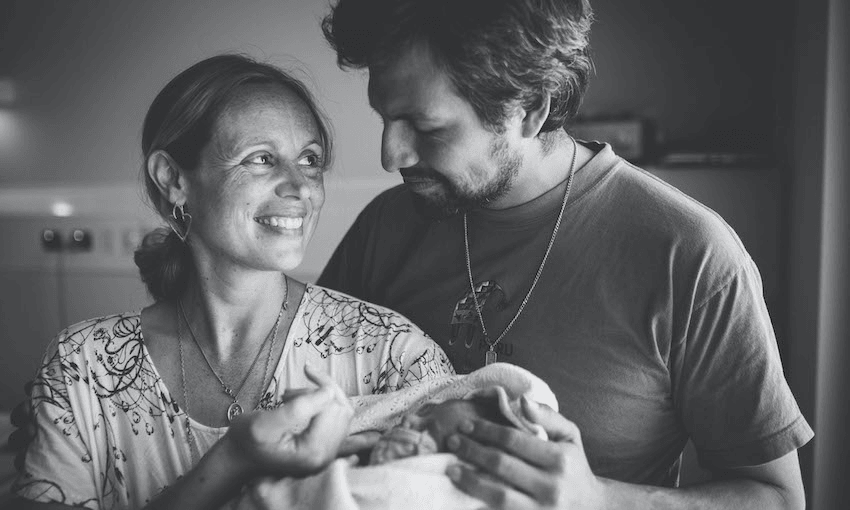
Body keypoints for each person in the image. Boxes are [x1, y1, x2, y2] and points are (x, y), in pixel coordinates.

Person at [316, 0, 814, 508]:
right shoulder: (387, 227)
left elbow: (777, 497)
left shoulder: (690, 257)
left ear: (531, 107)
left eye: (427, 127)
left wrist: (600, 499)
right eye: (385, 117)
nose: (390, 154)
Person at [10, 54, 453, 509]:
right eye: (262, 159)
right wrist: (233, 459)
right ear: (174, 180)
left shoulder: (393, 359)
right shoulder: (82, 367)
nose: (299, 187)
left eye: (310, 160)